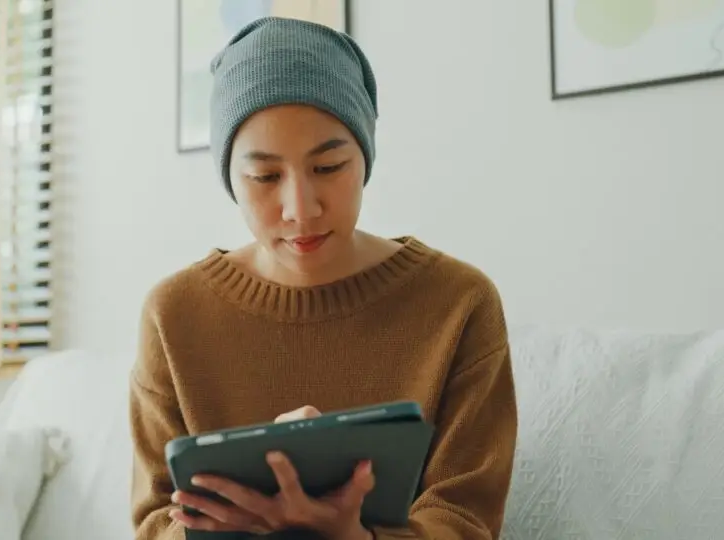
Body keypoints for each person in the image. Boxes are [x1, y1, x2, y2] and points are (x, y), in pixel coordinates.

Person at [129, 16, 518, 540]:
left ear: (364, 158)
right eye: (265, 177)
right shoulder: (173, 315)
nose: (300, 209)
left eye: (330, 167)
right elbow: (153, 522)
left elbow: (466, 518)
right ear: (230, 179)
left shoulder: (459, 303)